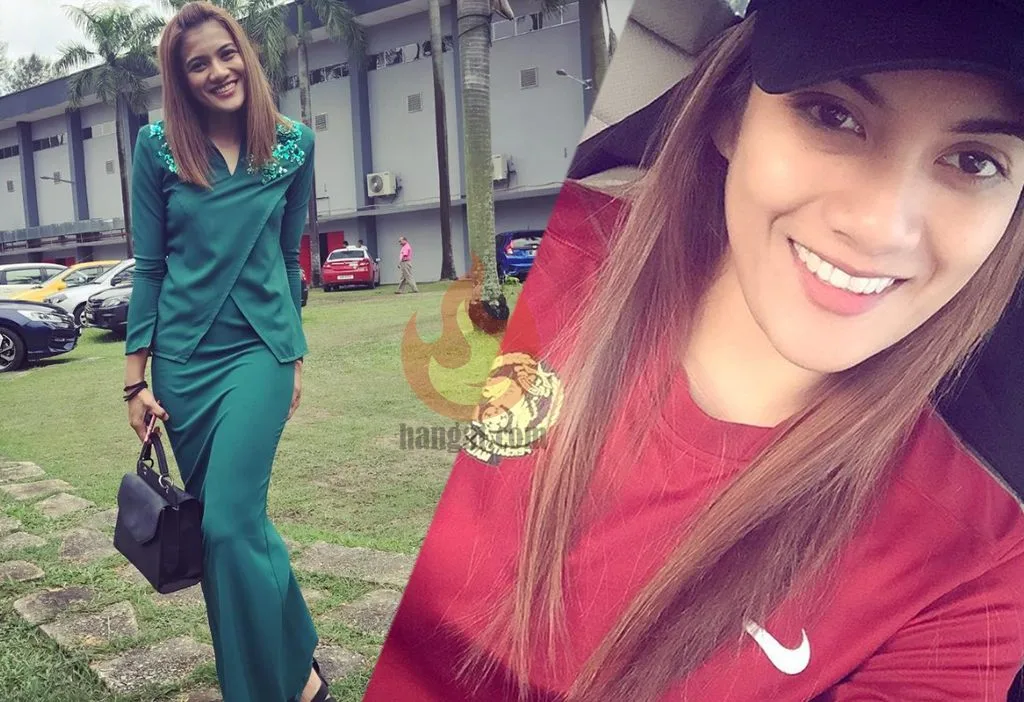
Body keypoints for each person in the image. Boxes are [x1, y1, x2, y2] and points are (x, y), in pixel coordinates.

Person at [364, 1, 1024, 700]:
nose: (880, 227)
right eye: (833, 116)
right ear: (730, 115)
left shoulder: (974, 552)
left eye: (974, 161)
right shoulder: (530, 278)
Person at [122, 3, 332, 701]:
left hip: (261, 352)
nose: (218, 71)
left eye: (225, 53)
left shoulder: (294, 145)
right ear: (180, 79)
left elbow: (289, 258)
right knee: (228, 530)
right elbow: (150, 267)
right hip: (185, 363)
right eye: (198, 64)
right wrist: (135, 381)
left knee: (232, 521)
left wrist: (293, 356)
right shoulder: (158, 148)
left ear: (245, 53)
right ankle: (301, 669)